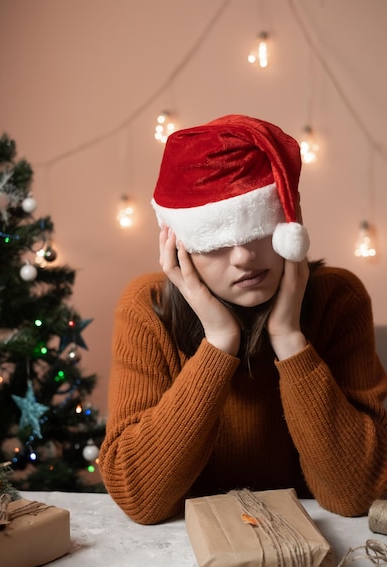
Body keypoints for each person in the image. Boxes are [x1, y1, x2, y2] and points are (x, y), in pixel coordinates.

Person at [99, 114, 387, 525]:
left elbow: (356, 493)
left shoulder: (338, 299)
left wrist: (289, 337)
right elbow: (141, 498)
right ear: (180, 247)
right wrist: (219, 341)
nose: (245, 258)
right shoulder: (147, 307)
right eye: (216, 243)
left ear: (287, 225)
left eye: (258, 230)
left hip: (313, 544)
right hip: (182, 554)